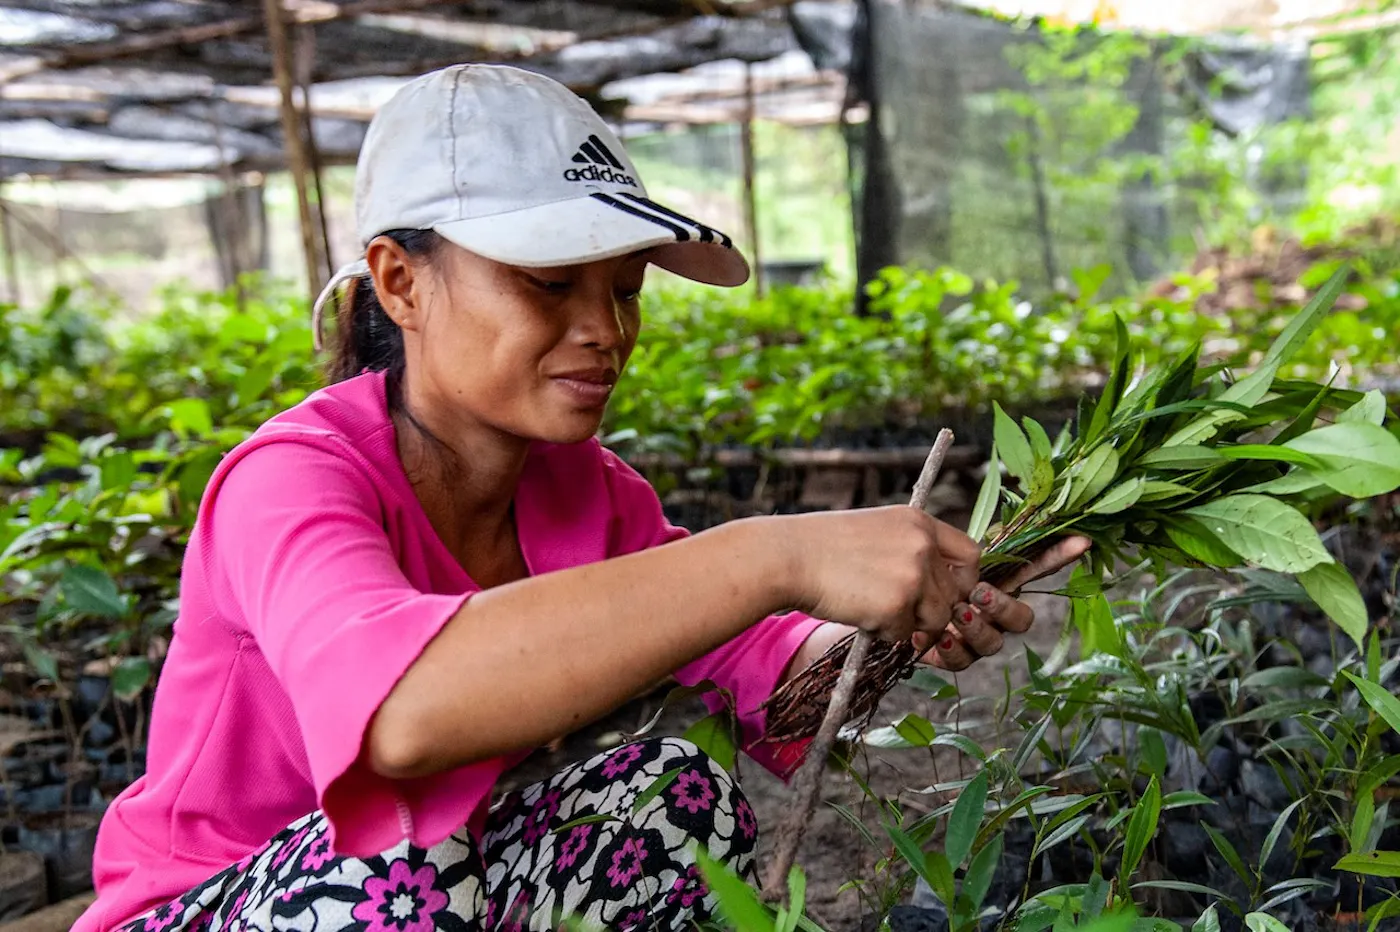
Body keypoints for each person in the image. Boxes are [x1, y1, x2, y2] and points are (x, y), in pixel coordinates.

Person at [74, 64, 1086, 932]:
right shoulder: (290, 477)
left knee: (670, 789)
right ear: (401, 282)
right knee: (414, 847)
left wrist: (919, 608)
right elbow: (400, 716)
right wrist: (775, 552)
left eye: (625, 287)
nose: (606, 328)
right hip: (217, 906)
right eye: (551, 282)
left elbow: (770, 679)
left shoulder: (589, 495)